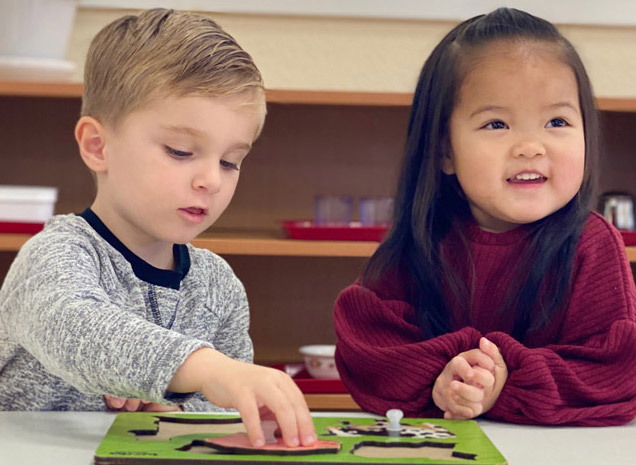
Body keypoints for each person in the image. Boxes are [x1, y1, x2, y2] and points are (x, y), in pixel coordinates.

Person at [0, 8, 316, 448]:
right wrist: (203, 367)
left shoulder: (218, 287)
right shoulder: (54, 255)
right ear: (98, 146)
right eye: (181, 151)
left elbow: (221, 416)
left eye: (230, 161)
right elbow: (78, 328)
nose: (212, 179)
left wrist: (174, 411)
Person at [334, 7, 636, 426]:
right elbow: (366, 349)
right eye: (497, 124)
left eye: (556, 121)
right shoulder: (425, 239)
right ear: (444, 150)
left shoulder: (592, 243)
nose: (531, 147)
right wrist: (441, 377)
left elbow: (617, 370)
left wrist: (505, 380)